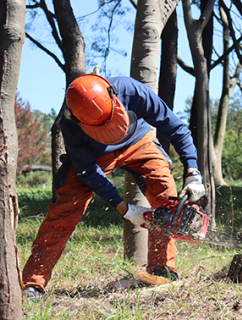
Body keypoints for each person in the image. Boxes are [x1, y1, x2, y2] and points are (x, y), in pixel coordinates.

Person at [22, 74, 205, 302]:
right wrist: (124, 209)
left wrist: (192, 171)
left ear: (114, 97)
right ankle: (33, 283)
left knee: (165, 193)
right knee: (64, 210)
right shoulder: (70, 123)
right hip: (96, 157)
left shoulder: (132, 91)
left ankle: (162, 270)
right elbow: (88, 170)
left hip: (138, 140)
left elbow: (176, 128)